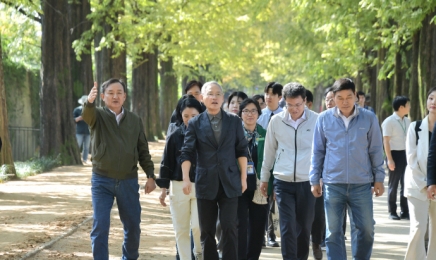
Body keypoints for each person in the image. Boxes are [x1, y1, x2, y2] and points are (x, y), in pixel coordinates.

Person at [310, 78, 385, 260]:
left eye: (349, 97)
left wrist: (379, 178)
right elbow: (317, 151)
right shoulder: (324, 119)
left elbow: (375, 149)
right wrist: (314, 180)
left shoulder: (368, 118)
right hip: (333, 184)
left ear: (356, 97)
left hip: (361, 183)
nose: (345, 101)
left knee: (366, 229)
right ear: (333, 98)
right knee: (333, 232)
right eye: (340, 97)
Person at [83, 79, 156, 260]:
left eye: (119, 93)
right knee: (101, 226)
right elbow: (87, 115)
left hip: (128, 181)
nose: (115, 96)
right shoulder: (97, 115)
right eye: (110, 92)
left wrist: (150, 175)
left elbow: (142, 150)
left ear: (124, 96)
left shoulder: (134, 120)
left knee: (132, 226)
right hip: (101, 180)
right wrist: (89, 102)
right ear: (102, 96)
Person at [180, 81, 248, 260]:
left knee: (229, 227)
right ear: (202, 98)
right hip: (205, 182)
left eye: (218, 94)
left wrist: (243, 178)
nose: (214, 97)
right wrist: (186, 178)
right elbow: (187, 152)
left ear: (223, 98)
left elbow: (241, 150)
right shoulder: (195, 123)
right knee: (207, 231)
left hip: (230, 181)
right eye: (210, 94)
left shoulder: (234, 121)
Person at [260, 83, 318, 260]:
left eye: (298, 104)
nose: (294, 109)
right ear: (284, 101)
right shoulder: (276, 121)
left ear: (305, 101)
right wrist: (264, 178)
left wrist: (320, 177)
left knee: (304, 227)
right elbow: (269, 151)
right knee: (286, 227)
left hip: (307, 182)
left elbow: (323, 151)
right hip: (282, 181)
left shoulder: (316, 120)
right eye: (290, 105)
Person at [157, 96, 204, 260]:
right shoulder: (175, 135)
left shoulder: (207, 135)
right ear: (180, 115)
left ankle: (199, 254)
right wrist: (164, 189)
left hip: (201, 186)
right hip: (178, 186)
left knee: (199, 227)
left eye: (194, 116)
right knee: (181, 229)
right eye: (186, 116)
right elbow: (166, 162)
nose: (190, 120)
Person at [237, 98, 272, 260]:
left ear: (259, 113)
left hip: (260, 187)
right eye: (246, 111)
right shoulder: (234, 135)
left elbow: (272, 161)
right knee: (240, 226)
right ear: (240, 113)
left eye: (253, 111)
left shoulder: (266, 134)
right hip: (239, 186)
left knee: (257, 228)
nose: (250, 114)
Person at [404, 87, 436, 260]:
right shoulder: (415, 127)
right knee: (418, 228)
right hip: (417, 186)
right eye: (431, 98)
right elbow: (411, 159)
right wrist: (425, 184)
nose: (434, 102)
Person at [256, 82, 283, 248]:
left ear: (280, 97)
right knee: (262, 199)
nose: (268, 97)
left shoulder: (284, 116)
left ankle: (272, 234)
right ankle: (263, 234)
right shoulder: (260, 115)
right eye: (267, 93)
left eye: (272, 94)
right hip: (261, 162)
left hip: (279, 164)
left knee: (275, 202)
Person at [381, 96, 411, 220]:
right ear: (401, 107)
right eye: (408, 105)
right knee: (393, 184)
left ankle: (405, 210)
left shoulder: (407, 121)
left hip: (406, 154)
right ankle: (392, 211)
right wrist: (389, 159)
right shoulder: (389, 121)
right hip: (394, 154)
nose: (409, 107)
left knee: (406, 183)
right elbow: (386, 141)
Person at [73, 95, 91, 164]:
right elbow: (73, 120)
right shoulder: (77, 110)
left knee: (86, 147)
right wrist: (79, 118)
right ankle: (77, 159)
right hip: (79, 131)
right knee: (78, 146)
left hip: (88, 131)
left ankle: (85, 159)